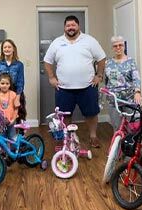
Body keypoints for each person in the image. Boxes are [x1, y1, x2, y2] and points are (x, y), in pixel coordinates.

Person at [44, 15, 106, 148]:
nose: (70, 28)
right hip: (64, 88)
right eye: (68, 25)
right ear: (64, 27)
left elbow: (101, 58)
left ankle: (93, 136)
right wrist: (51, 77)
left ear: (78, 26)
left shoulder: (89, 41)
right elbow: (47, 61)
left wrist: (99, 75)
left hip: (88, 86)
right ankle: (67, 137)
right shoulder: (57, 42)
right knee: (65, 115)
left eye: (73, 25)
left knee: (91, 114)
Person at [105, 35, 142, 131]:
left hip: (128, 100)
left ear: (124, 46)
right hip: (114, 101)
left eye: (120, 45)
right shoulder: (108, 63)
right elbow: (107, 81)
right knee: (117, 128)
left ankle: (129, 145)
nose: (118, 48)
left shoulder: (131, 62)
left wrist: (137, 92)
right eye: (115, 46)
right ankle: (118, 146)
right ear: (112, 48)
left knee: (131, 128)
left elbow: (136, 78)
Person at [0, 39, 26, 122]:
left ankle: (18, 134)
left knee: (17, 118)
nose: (7, 49)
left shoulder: (19, 65)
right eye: (5, 47)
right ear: (2, 50)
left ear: (13, 49)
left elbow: (20, 82)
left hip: (15, 94)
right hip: (1, 95)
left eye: (9, 47)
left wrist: (17, 99)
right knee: (1, 117)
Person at [0, 73, 18, 138]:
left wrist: (13, 119)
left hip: (11, 121)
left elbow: (16, 108)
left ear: (10, 84)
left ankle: (13, 148)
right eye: (2, 83)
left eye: (7, 83)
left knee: (12, 138)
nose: (5, 85)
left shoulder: (13, 94)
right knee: (1, 139)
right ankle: (2, 148)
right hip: (0, 123)